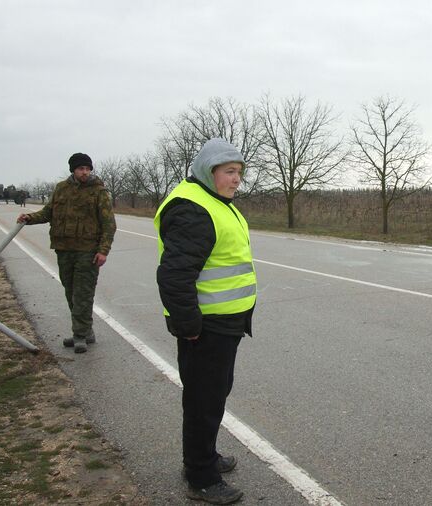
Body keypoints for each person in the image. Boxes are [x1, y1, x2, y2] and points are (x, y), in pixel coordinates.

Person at [155, 138, 256, 505]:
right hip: (206, 328)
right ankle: (200, 476)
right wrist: (189, 327)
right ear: (207, 170)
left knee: (212, 395)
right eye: (229, 172)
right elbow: (175, 276)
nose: (236, 180)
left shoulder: (214, 202)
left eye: (239, 173)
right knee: (203, 400)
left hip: (223, 324)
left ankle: (205, 456)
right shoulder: (192, 209)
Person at [17, 152, 116, 354]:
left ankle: (80, 335)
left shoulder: (99, 191)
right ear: (73, 170)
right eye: (81, 169)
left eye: (88, 169)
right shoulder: (61, 189)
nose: (85, 173)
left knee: (83, 294)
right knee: (70, 291)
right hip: (64, 249)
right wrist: (29, 217)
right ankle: (86, 331)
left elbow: (109, 225)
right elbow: (48, 212)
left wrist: (103, 250)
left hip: (87, 251)